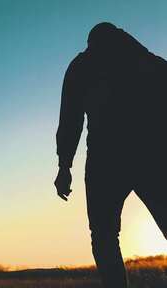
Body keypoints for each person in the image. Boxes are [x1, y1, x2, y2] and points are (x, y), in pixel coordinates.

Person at [54, 22, 167, 288]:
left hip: (105, 163)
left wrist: (64, 166)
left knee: (104, 235)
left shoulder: (82, 66)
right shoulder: (152, 63)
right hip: (151, 157)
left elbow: (70, 120)